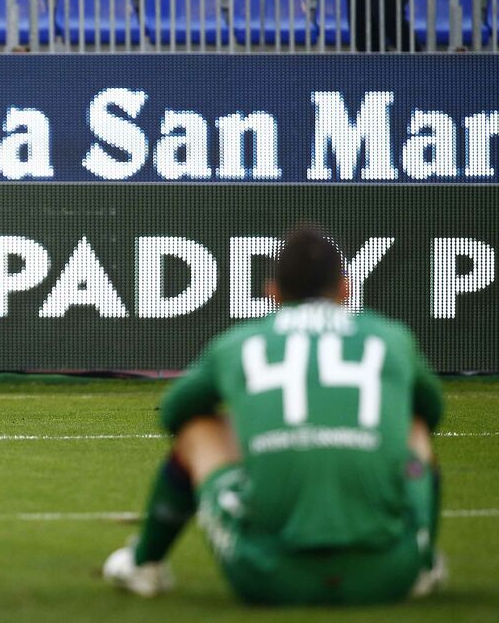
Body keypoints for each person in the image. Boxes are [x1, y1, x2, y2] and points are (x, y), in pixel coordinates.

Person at [103, 224, 446, 605]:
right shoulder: (392, 337)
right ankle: (424, 562)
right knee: (414, 426)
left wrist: (252, 428)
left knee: (198, 430)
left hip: (266, 575)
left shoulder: (240, 342)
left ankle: (144, 563)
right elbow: (432, 410)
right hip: (389, 574)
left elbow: (174, 412)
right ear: (346, 289)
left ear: (272, 292)